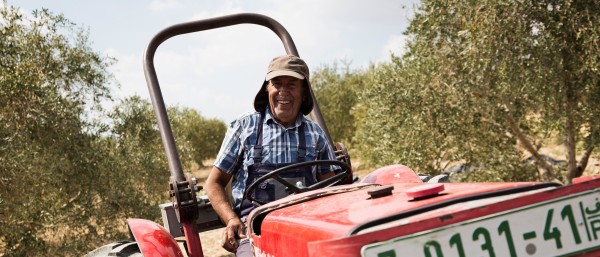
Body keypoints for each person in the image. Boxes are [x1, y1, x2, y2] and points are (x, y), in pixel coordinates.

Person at [205, 54, 338, 256]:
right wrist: (232, 220)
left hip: (304, 226)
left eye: (291, 85)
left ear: (303, 93)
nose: (282, 91)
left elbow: (330, 187)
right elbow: (214, 183)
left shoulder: (315, 134)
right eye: (276, 84)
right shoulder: (245, 126)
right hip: (255, 230)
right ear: (267, 89)